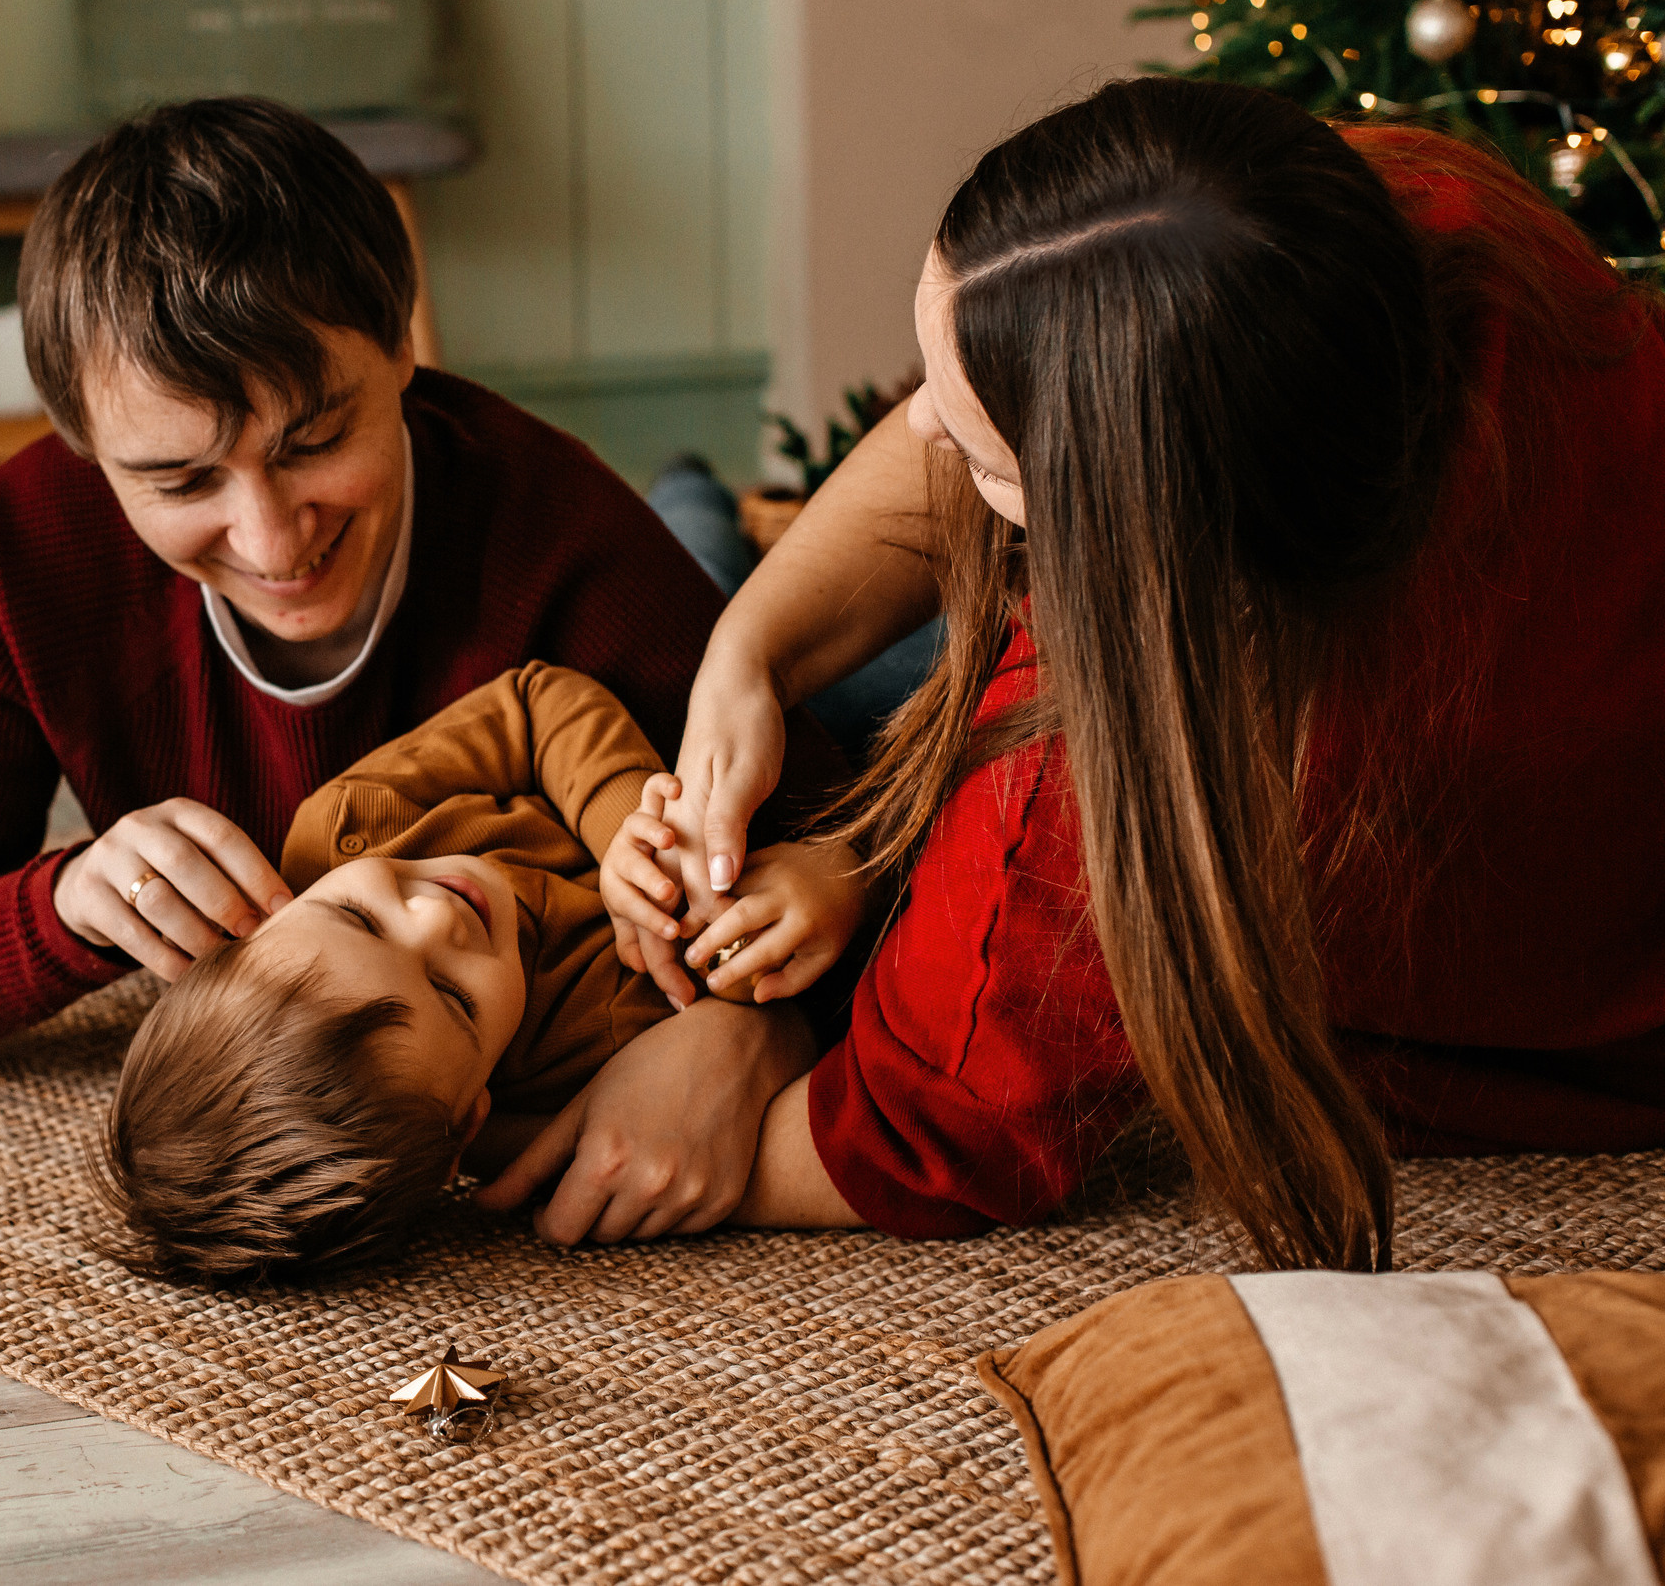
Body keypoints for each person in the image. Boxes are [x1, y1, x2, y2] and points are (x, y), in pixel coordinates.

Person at [579, 77, 1665, 1271]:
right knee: (796, 658)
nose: (918, 429)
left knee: (783, 654)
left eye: (986, 454)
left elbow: (911, 1134)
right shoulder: (1406, 214)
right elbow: (991, 386)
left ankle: (690, 504)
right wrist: (744, 654)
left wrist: (725, 1053)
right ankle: (703, 517)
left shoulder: (1099, 802)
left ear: (1138, 542)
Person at [0, 98, 836, 1237]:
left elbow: (863, 836)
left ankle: (694, 504)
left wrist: (752, 1033)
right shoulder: (29, 546)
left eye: (315, 442)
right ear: (81, 439)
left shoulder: (556, 528)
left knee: (727, 590)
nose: (273, 543)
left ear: (401, 348)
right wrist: (67, 902)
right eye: (181, 485)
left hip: (646, 582)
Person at [97, 662, 832, 1282]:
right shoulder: (602, 1044)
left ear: (255, 925)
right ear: (470, 1113)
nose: (436, 918)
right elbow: (776, 1012)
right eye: (453, 998)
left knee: (698, 527)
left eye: (359, 917)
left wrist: (629, 838)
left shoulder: (347, 826)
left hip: (690, 694)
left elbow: (532, 700)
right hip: (801, 787)